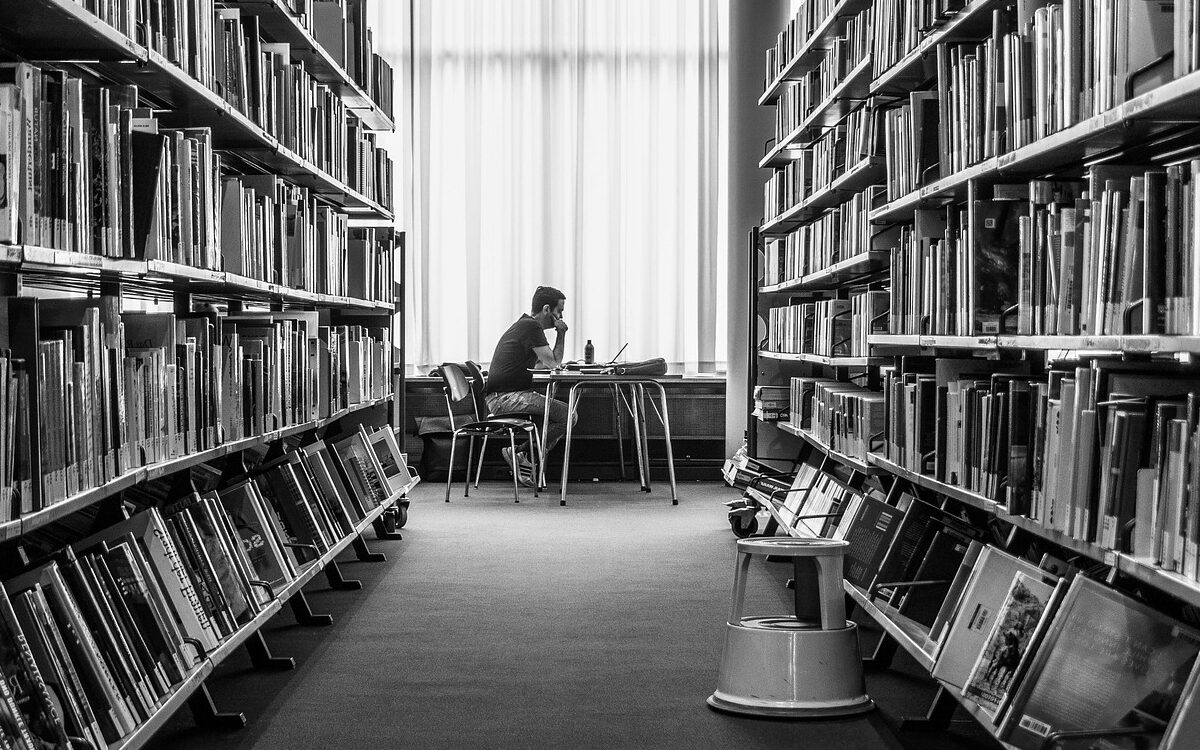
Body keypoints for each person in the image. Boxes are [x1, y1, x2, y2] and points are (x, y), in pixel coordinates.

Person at [484, 285, 577, 485]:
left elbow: (543, 363)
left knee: (560, 416)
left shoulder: (524, 325)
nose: (560, 317)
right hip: (505, 398)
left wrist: (554, 361)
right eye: (559, 311)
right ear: (546, 309)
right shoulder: (531, 327)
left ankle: (522, 454)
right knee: (569, 416)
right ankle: (521, 452)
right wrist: (561, 334)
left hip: (503, 396)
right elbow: (553, 363)